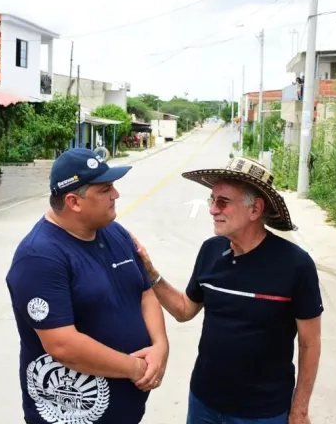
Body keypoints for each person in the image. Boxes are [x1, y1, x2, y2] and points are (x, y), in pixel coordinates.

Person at [133, 157, 323, 424]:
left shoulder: (295, 264)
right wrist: (151, 274)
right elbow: (185, 310)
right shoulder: (210, 251)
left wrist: (300, 409)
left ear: (255, 209)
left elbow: (309, 343)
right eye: (212, 200)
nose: (212, 209)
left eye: (222, 202)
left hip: (263, 412)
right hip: (203, 402)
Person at [5, 148, 169, 424]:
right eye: (105, 189)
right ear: (74, 201)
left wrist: (160, 347)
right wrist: (136, 368)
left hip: (123, 413)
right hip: (71, 415)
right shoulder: (40, 257)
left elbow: (144, 292)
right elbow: (63, 345)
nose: (115, 195)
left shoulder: (114, 232)